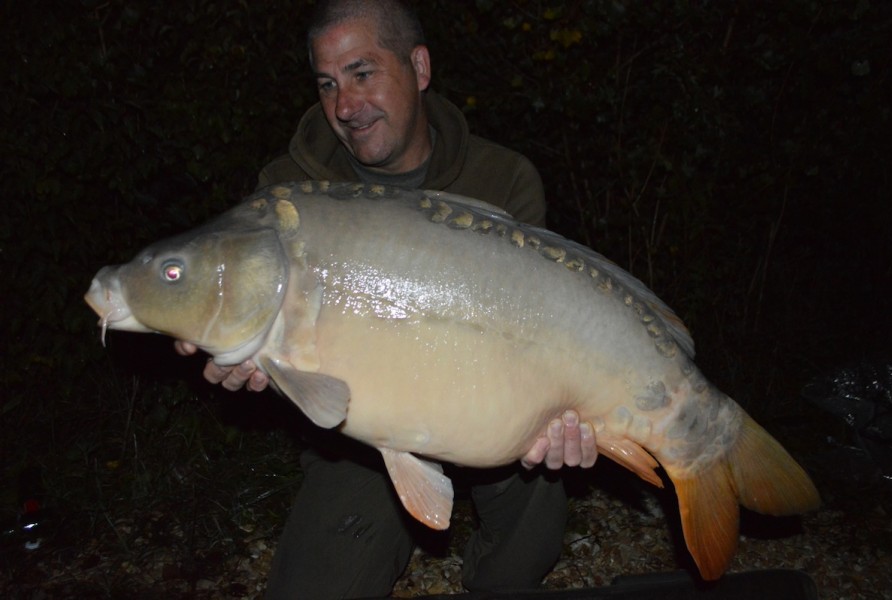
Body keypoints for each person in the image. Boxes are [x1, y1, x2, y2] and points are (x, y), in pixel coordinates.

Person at [177, 1, 596, 596]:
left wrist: (560, 411)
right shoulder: (289, 196)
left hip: (489, 412)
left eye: (363, 73)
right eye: (328, 83)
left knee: (535, 505)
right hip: (359, 435)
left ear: (419, 67)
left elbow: (543, 331)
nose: (345, 107)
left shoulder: (504, 179)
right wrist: (251, 362)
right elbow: (280, 353)